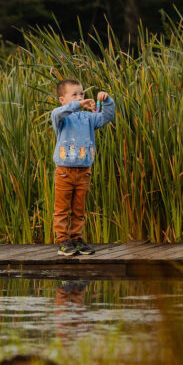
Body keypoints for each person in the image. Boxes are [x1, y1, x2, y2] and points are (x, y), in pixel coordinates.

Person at [50, 79, 116, 256]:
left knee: (79, 209)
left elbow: (107, 116)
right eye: (74, 95)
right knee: (62, 209)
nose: (80, 97)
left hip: (83, 172)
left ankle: (77, 239)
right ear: (62, 99)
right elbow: (58, 113)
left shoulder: (88, 118)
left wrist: (107, 100)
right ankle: (63, 241)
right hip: (64, 172)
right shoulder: (61, 118)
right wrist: (78, 104)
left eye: (81, 94)